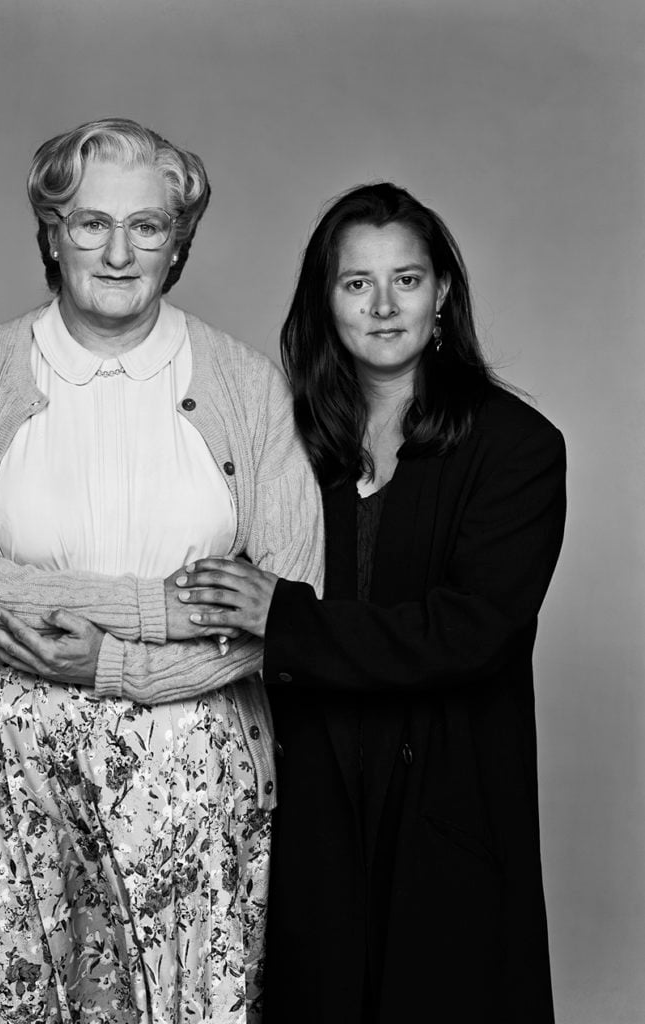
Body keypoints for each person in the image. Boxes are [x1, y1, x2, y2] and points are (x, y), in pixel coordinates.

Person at [0, 117, 323, 1024]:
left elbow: (286, 604)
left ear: (179, 244)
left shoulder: (248, 387)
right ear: (50, 235)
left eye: (148, 226)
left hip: (195, 766)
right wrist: (160, 608)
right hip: (0, 769)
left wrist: (115, 660)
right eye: (90, 222)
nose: (119, 250)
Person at [175, 183, 566, 1024]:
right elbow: (215, 598)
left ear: (442, 296)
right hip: (311, 803)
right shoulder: (286, 449)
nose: (384, 306)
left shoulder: (516, 448)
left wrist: (282, 617)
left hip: (446, 807)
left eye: (407, 280)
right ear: (327, 301)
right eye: (357, 284)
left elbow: (471, 633)